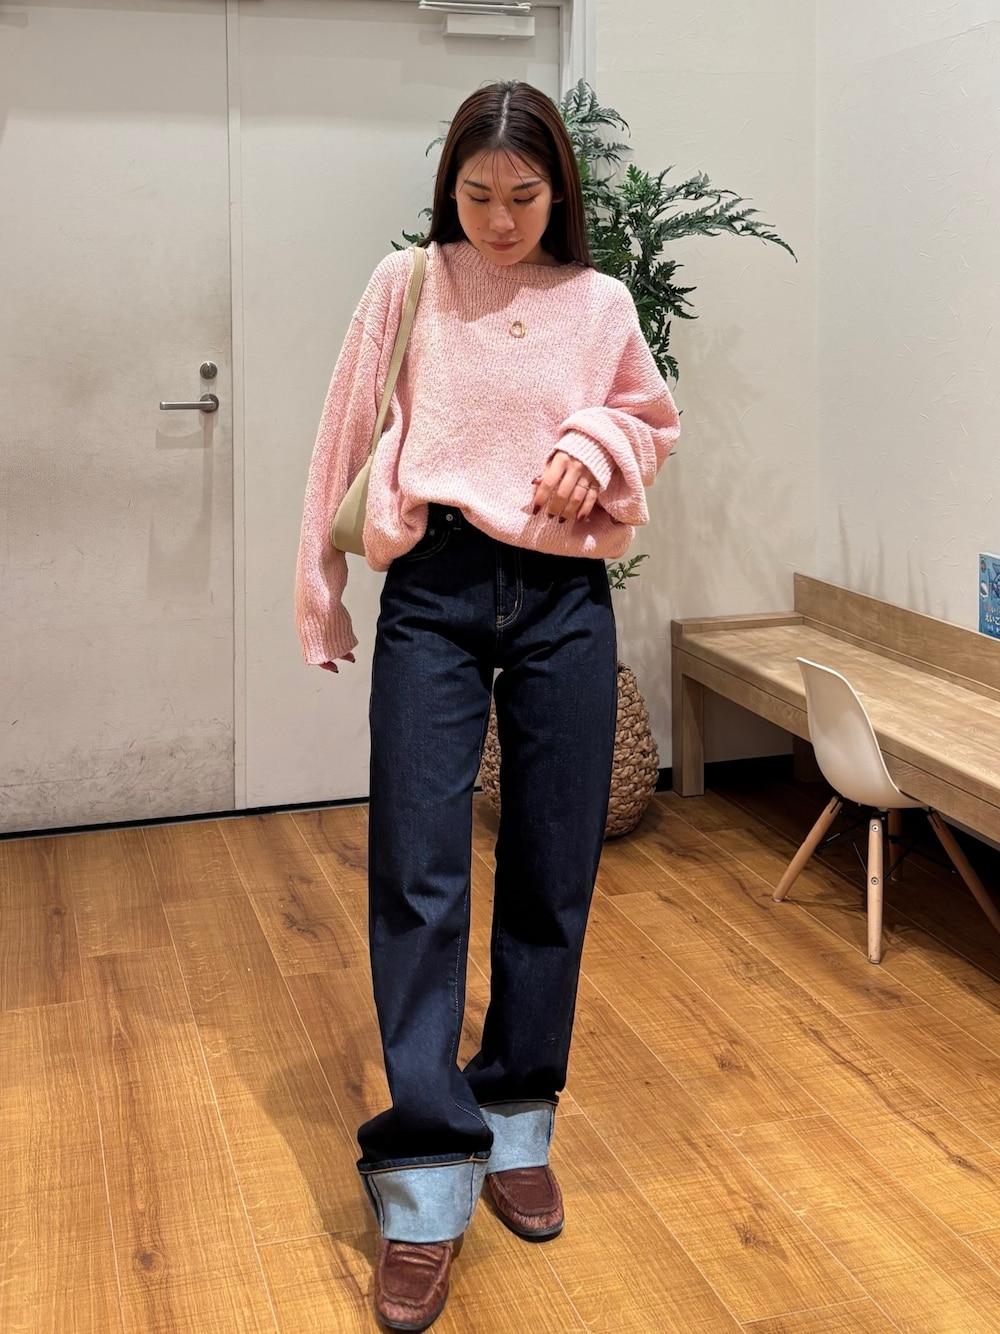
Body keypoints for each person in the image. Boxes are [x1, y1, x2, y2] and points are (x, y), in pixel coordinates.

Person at [295, 80, 679, 1332]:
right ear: (446, 187)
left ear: (558, 190)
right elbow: (342, 433)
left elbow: (651, 419)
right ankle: (423, 1179)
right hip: (438, 589)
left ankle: (515, 1118)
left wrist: (595, 444)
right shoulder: (408, 282)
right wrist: (319, 593)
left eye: (523, 196)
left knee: (552, 867)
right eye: (476, 194)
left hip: (565, 594)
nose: (500, 220)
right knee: (418, 869)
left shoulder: (600, 302)